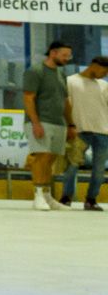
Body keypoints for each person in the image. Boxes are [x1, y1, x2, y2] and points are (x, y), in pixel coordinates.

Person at [22, 41, 76, 211]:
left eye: (69, 56)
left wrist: (71, 124)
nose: (67, 58)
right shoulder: (35, 71)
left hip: (59, 122)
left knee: (51, 159)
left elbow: (65, 101)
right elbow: (28, 98)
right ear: (53, 53)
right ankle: (38, 195)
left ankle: (47, 195)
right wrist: (35, 123)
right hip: (41, 121)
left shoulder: (61, 74)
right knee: (42, 157)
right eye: (64, 55)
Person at [61, 55, 108, 210]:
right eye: (104, 71)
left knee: (99, 170)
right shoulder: (70, 81)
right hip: (78, 131)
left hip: (102, 132)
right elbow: (65, 105)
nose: (105, 75)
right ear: (95, 65)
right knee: (71, 166)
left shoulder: (104, 86)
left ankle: (91, 199)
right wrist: (69, 125)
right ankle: (66, 197)